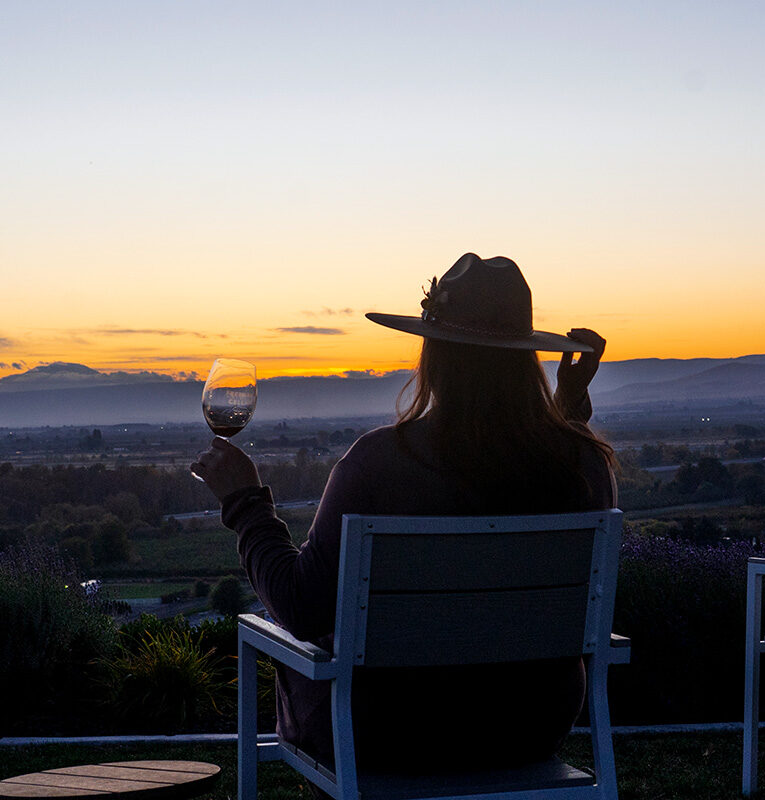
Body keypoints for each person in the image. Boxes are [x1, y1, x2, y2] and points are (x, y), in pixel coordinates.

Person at [191, 252, 615, 786]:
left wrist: (245, 503)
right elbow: (528, 469)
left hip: (386, 731)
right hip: (528, 725)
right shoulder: (584, 466)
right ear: (525, 356)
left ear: (433, 355)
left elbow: (299, 605)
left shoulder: (378, 464)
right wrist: (566, 410)